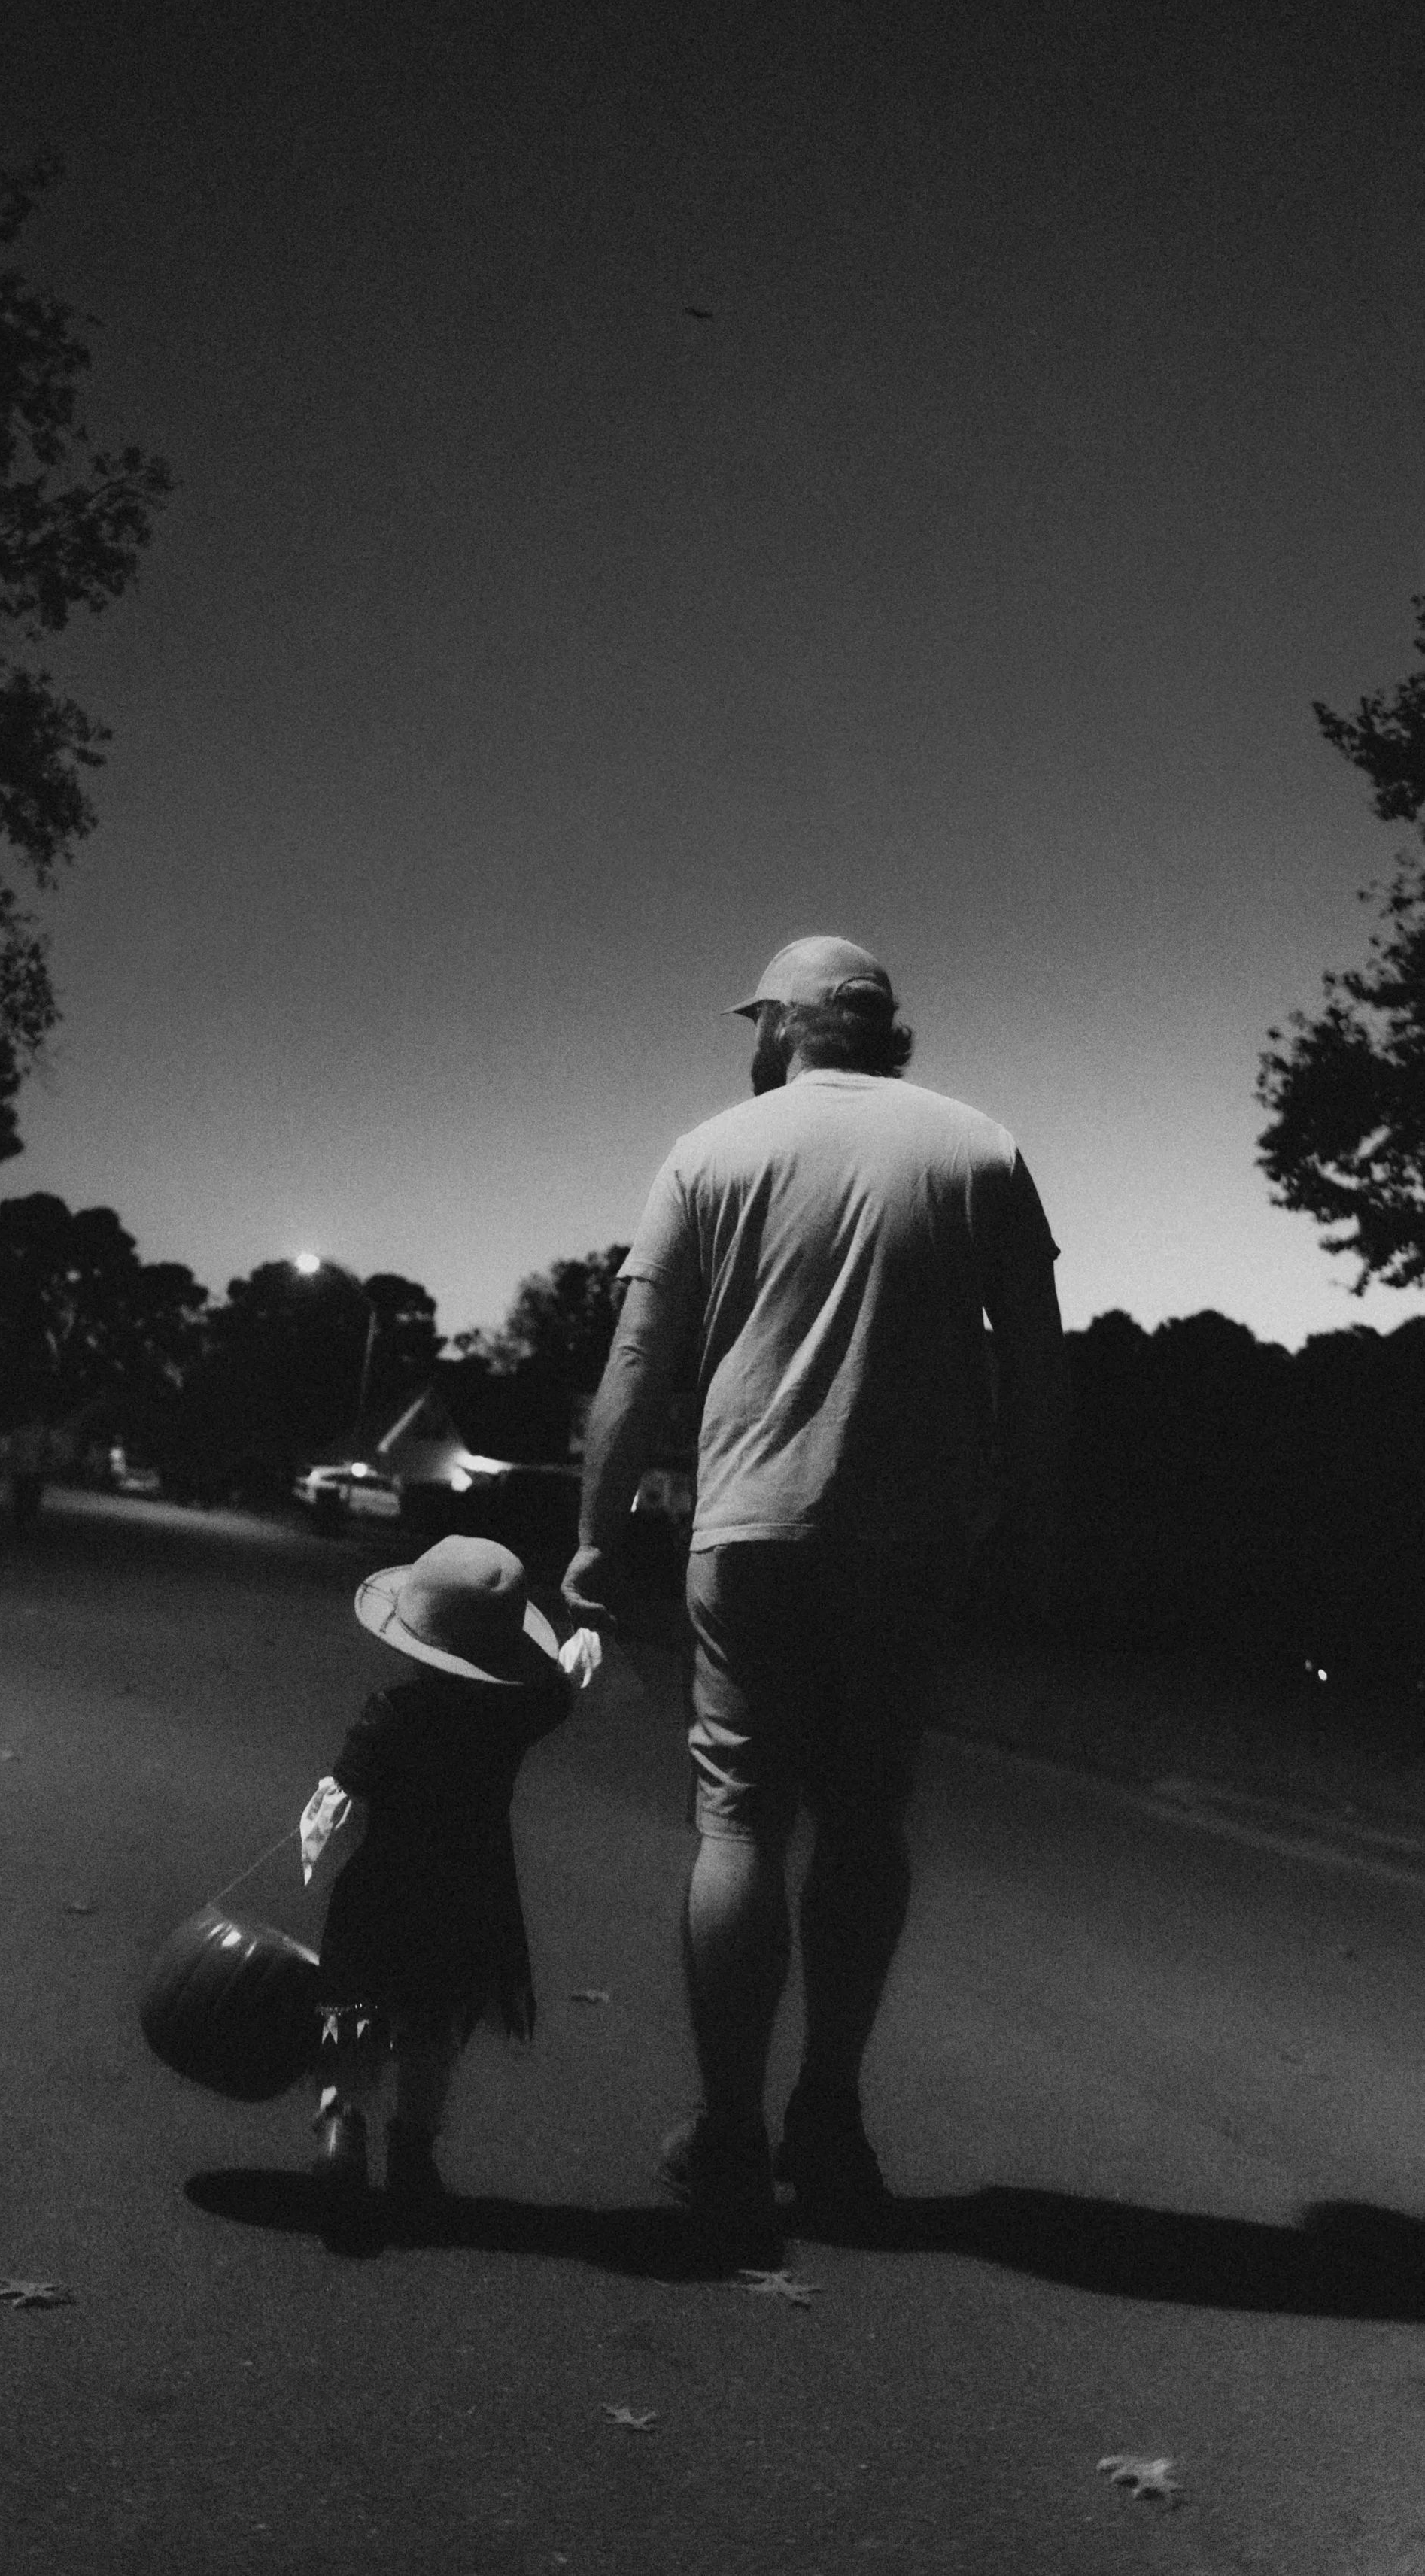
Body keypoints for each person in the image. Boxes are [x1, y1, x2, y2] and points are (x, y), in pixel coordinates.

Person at [562, 934, 1067, 2254]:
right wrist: (1020, 1514)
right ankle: (829, 2120)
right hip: (910, 1540)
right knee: (864, 1815)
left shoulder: (712, 1152)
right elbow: (1043, 1365)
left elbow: (639, 1354)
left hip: (750, 1525)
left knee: (737, 1818)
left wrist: (595, 1527)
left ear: (785, 1025)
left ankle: (728, 2134)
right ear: (884, 1030)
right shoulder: (981, 1149)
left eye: (762, 1020)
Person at [299, 1535, 599, 2226]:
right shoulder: (519, 1715)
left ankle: (341, 2126)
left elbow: (340, 1804)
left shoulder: (391, 1712)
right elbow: (562, 1687)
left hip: (384, 1888)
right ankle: (414, 2152)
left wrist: (317, 1851)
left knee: (354, 2015)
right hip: (472, 1891)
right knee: (436, 2025)